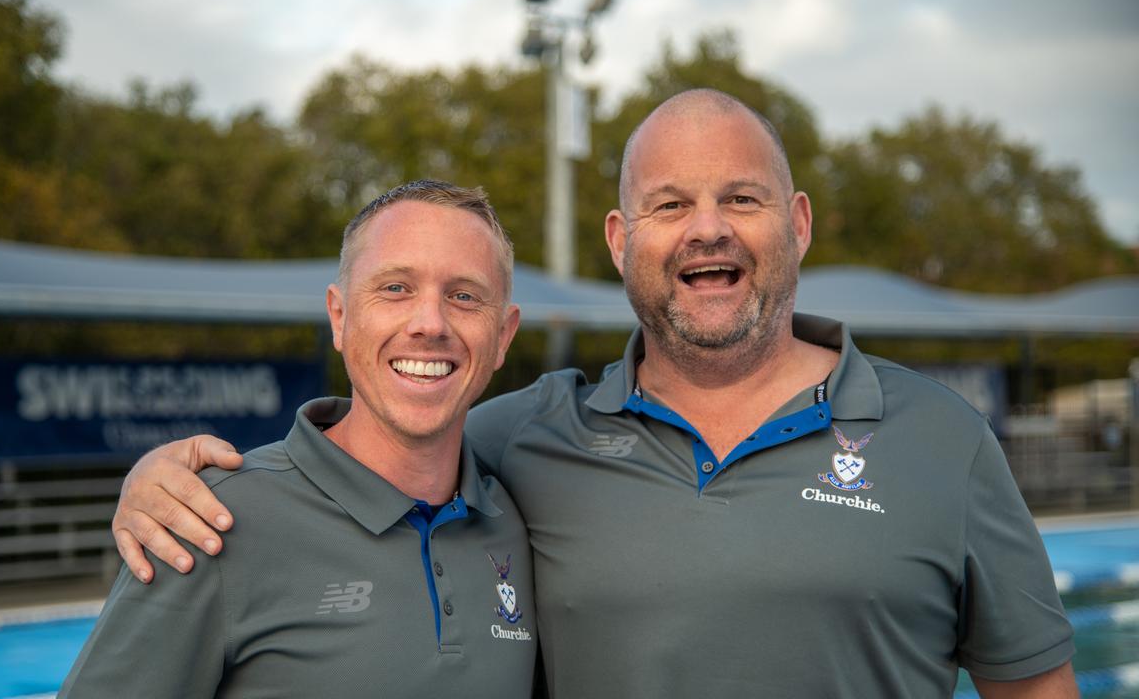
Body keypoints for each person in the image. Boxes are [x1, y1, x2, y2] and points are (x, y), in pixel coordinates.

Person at [110, 90, 1077, 697]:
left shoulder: (942, 441)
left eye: (740, 199)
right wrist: (161, 480)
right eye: (669, 205)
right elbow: (375, 453)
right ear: (621, 240)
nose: (708, 231)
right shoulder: (520, 440)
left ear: (797, 225)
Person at [61, 180, 536, 697]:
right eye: (396, 288)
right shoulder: (207, 518)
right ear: (339, 316)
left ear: (503, 337)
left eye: (464, 296)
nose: (429, 323)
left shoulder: (520, 520)